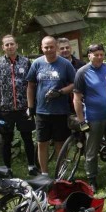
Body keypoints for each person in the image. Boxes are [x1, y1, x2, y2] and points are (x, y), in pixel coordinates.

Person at [26, 36, 76, 175]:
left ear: (56, 47)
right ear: (42, 48)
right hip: (42, 111)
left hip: (60, 111)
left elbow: (74, 84)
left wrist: (60, 92)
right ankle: (44, 174)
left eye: (51, 47)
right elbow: (30, 85)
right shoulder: (37, 63)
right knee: (42, 143)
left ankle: (60, 173)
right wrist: (30, 107)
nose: (49, 50)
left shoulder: (65, 64)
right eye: (46, 47)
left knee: (60, 143)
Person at [0, 35, 37, 175]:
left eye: (12, 44)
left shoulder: (26, 62)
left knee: (27, 138)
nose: (10, 47)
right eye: (7, 45)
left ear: (16, 45)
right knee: (6, 139)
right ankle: (7, 168)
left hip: (24, 108)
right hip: (5, 110)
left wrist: (32, 105)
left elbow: (32, 85)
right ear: (3, 47)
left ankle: (32, 166)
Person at [73, 43, 106, 189]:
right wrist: (81, 120)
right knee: (91, 150)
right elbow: (77, 98)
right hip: (93, 117)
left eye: (101, 55)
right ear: (89, 55)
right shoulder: (82, 72)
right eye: (95, 55)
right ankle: (92, 179)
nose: (99, 57)